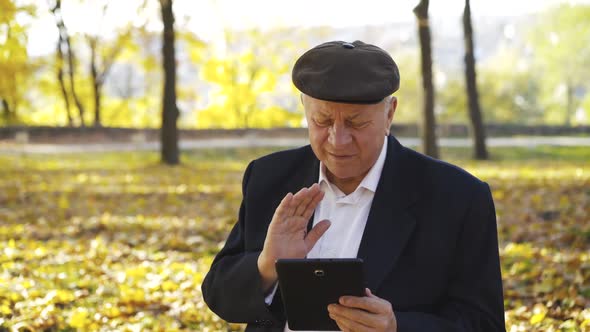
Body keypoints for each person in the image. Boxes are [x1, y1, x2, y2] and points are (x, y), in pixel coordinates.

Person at [201, 40, 505, 332]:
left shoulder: (458, 197)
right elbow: (219, 297)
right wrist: (267, 267)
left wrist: (397, 327)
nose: (338, 140)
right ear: (304, 109)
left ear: (389, 114)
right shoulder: (268, 176)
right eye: (322, 121)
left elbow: (484, 324)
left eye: (356, 123)